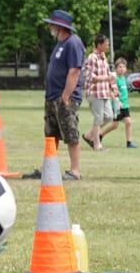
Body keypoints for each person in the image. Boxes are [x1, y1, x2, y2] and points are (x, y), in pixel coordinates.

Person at [42, 9, 85, 179]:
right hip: (53, 96)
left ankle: (75, 170)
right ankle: (47, 168)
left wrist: (66, 96)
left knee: (70, 132)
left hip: (65, 97)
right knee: (51, 134)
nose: (49, 27)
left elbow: (74, 71)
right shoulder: (60, 43)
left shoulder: (73, 43)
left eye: (51, 24)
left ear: (60, 26)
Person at [81, 34, 114, 151]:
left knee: (109, 116)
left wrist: (112, 89)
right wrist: (106, 78)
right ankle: (97, 145)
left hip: (104, 92)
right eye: (106, 44)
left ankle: (89, 135)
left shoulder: (104, 57)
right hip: (95, 93)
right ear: (99, 45)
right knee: (98, 118)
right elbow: (90, 77)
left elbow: (108, 75)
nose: (107, 46)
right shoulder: (92, 57)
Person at [98, 57, 136, 148]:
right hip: (117, 106)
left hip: (125, 106)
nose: (122, 68)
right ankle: (97, 133)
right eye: (119, 67)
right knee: (114, 125)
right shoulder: (115, 79)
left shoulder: (123, 79)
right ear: (116, 68)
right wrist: (116, 101)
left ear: (126, 69)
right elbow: (110, 91)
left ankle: (129, 142)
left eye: (123, 67)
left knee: (128, 122)